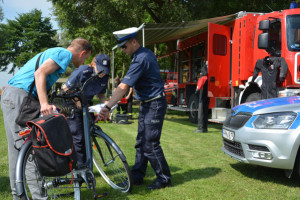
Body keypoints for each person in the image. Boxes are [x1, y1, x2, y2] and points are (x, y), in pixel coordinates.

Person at [1, 38, 92, 200]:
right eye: (85, 58)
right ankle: (39, 198)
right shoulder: (64, 54)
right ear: (82, 52)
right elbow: (40, 73)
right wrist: (43, 104)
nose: (84, 61)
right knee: (30, 151)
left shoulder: (54, 52)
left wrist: (46, 101)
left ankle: (18, 196)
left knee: (17, 150)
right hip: (19, 97)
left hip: (11, 95)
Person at [98, 26, 171, 190]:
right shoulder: (141, 54)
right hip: (148, 103)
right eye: (121, 47)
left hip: (155, 103)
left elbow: (123, 86)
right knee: (141, 142)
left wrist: (108, 107)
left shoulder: (141, 58)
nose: (122, 50)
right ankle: (137, 176)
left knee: (150, 144)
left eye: (124, 46)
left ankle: (164, 178)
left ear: (133, 41)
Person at [62, 53, 111, 166]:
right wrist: (76, 101)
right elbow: (64, 89)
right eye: (101, 70)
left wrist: (106, 103)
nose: (103, 73)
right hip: (70, 103)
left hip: (86, 103)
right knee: (78, 136)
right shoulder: (82, 71)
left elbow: (101, 94)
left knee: (88, 134)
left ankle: (86, 165)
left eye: (105, 70)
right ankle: (80, 168)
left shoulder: (105, 75)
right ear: (94, 64)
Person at [193, 64, 209, 133]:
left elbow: (198, 88)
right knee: (205, 112)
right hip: (207, 97)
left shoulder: (202, 78)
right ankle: (205, 128)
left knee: (201, 112)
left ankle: (200, 128)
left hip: (202, 98)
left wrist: (196, 91)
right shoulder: (208, 77)